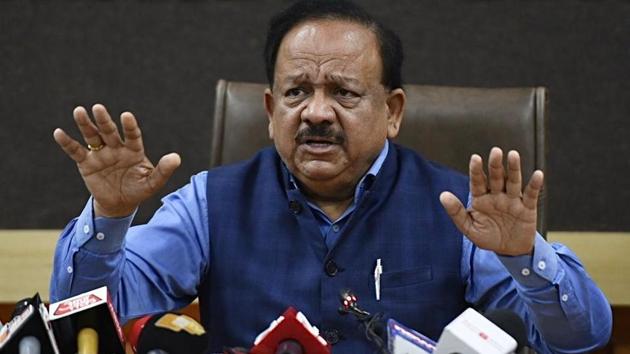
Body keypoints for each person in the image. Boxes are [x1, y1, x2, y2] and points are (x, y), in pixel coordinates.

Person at [50, 1, 612, 353]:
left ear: (392, 111)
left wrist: (521, 258)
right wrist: (111, 220)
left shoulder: (460, 211)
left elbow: (581, 339)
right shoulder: (207, 204)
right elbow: (86, 322)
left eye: (343, 92)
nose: (316, 113)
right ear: (270, 112)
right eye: (297, 92)